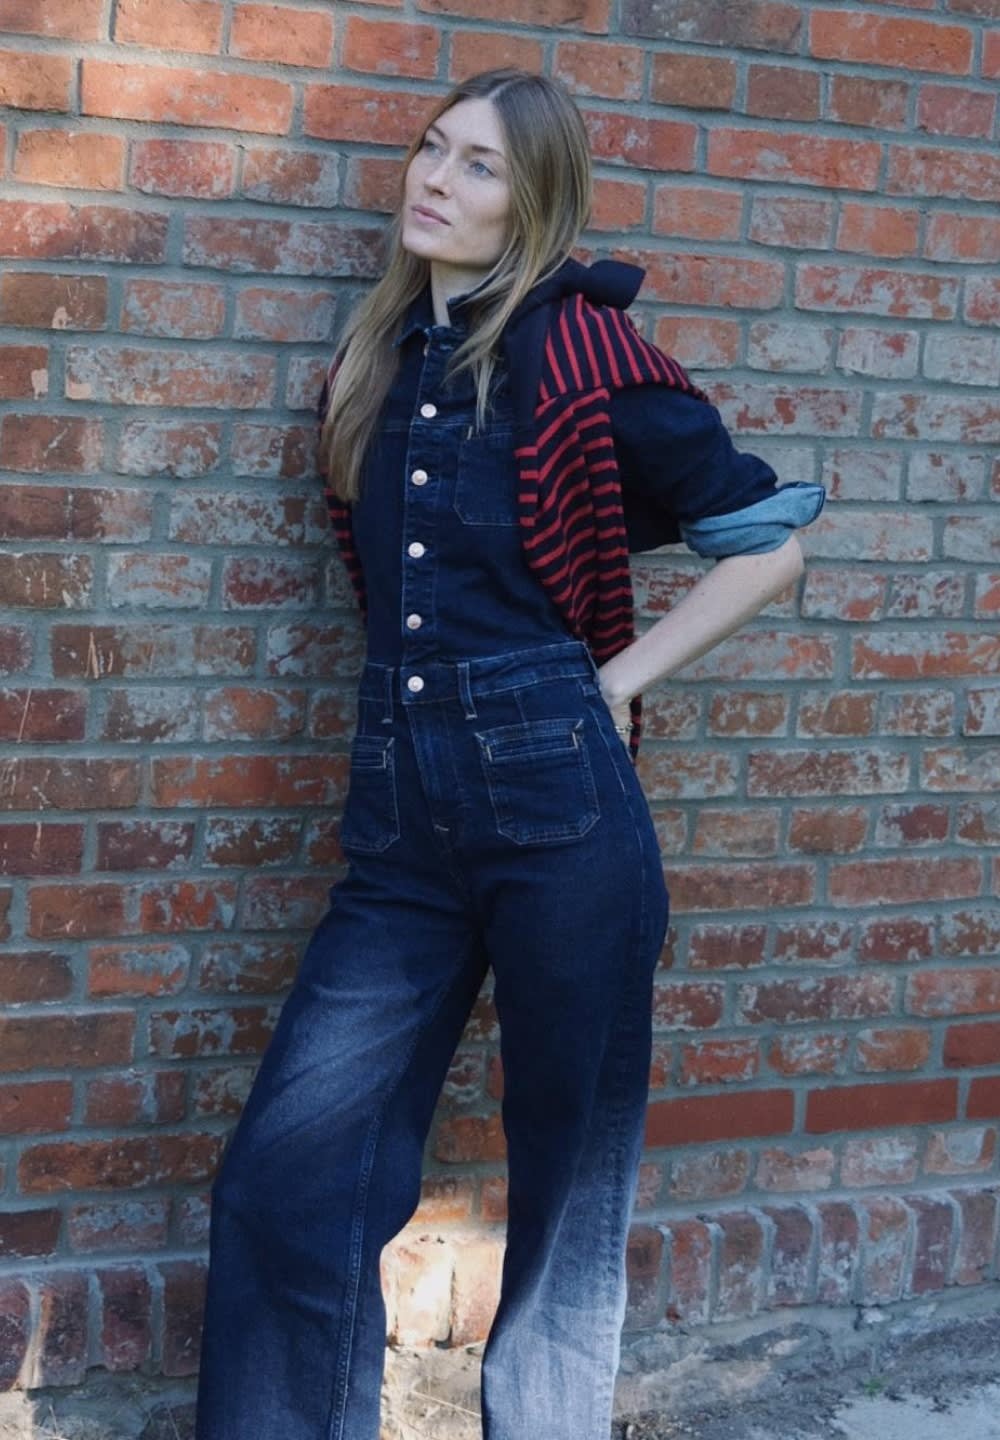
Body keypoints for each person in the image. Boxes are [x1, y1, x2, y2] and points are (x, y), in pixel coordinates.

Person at [195, 68, 825, 1440]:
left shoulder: (579, 349)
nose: (439, 177)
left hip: (561, 802)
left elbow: (765, 546)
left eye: (481, 165)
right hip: (403, 816)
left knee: (563, 1200)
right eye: (434, 149)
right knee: (287, 1178)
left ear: (534, 200)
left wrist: (614, 683)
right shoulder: (380, 363)